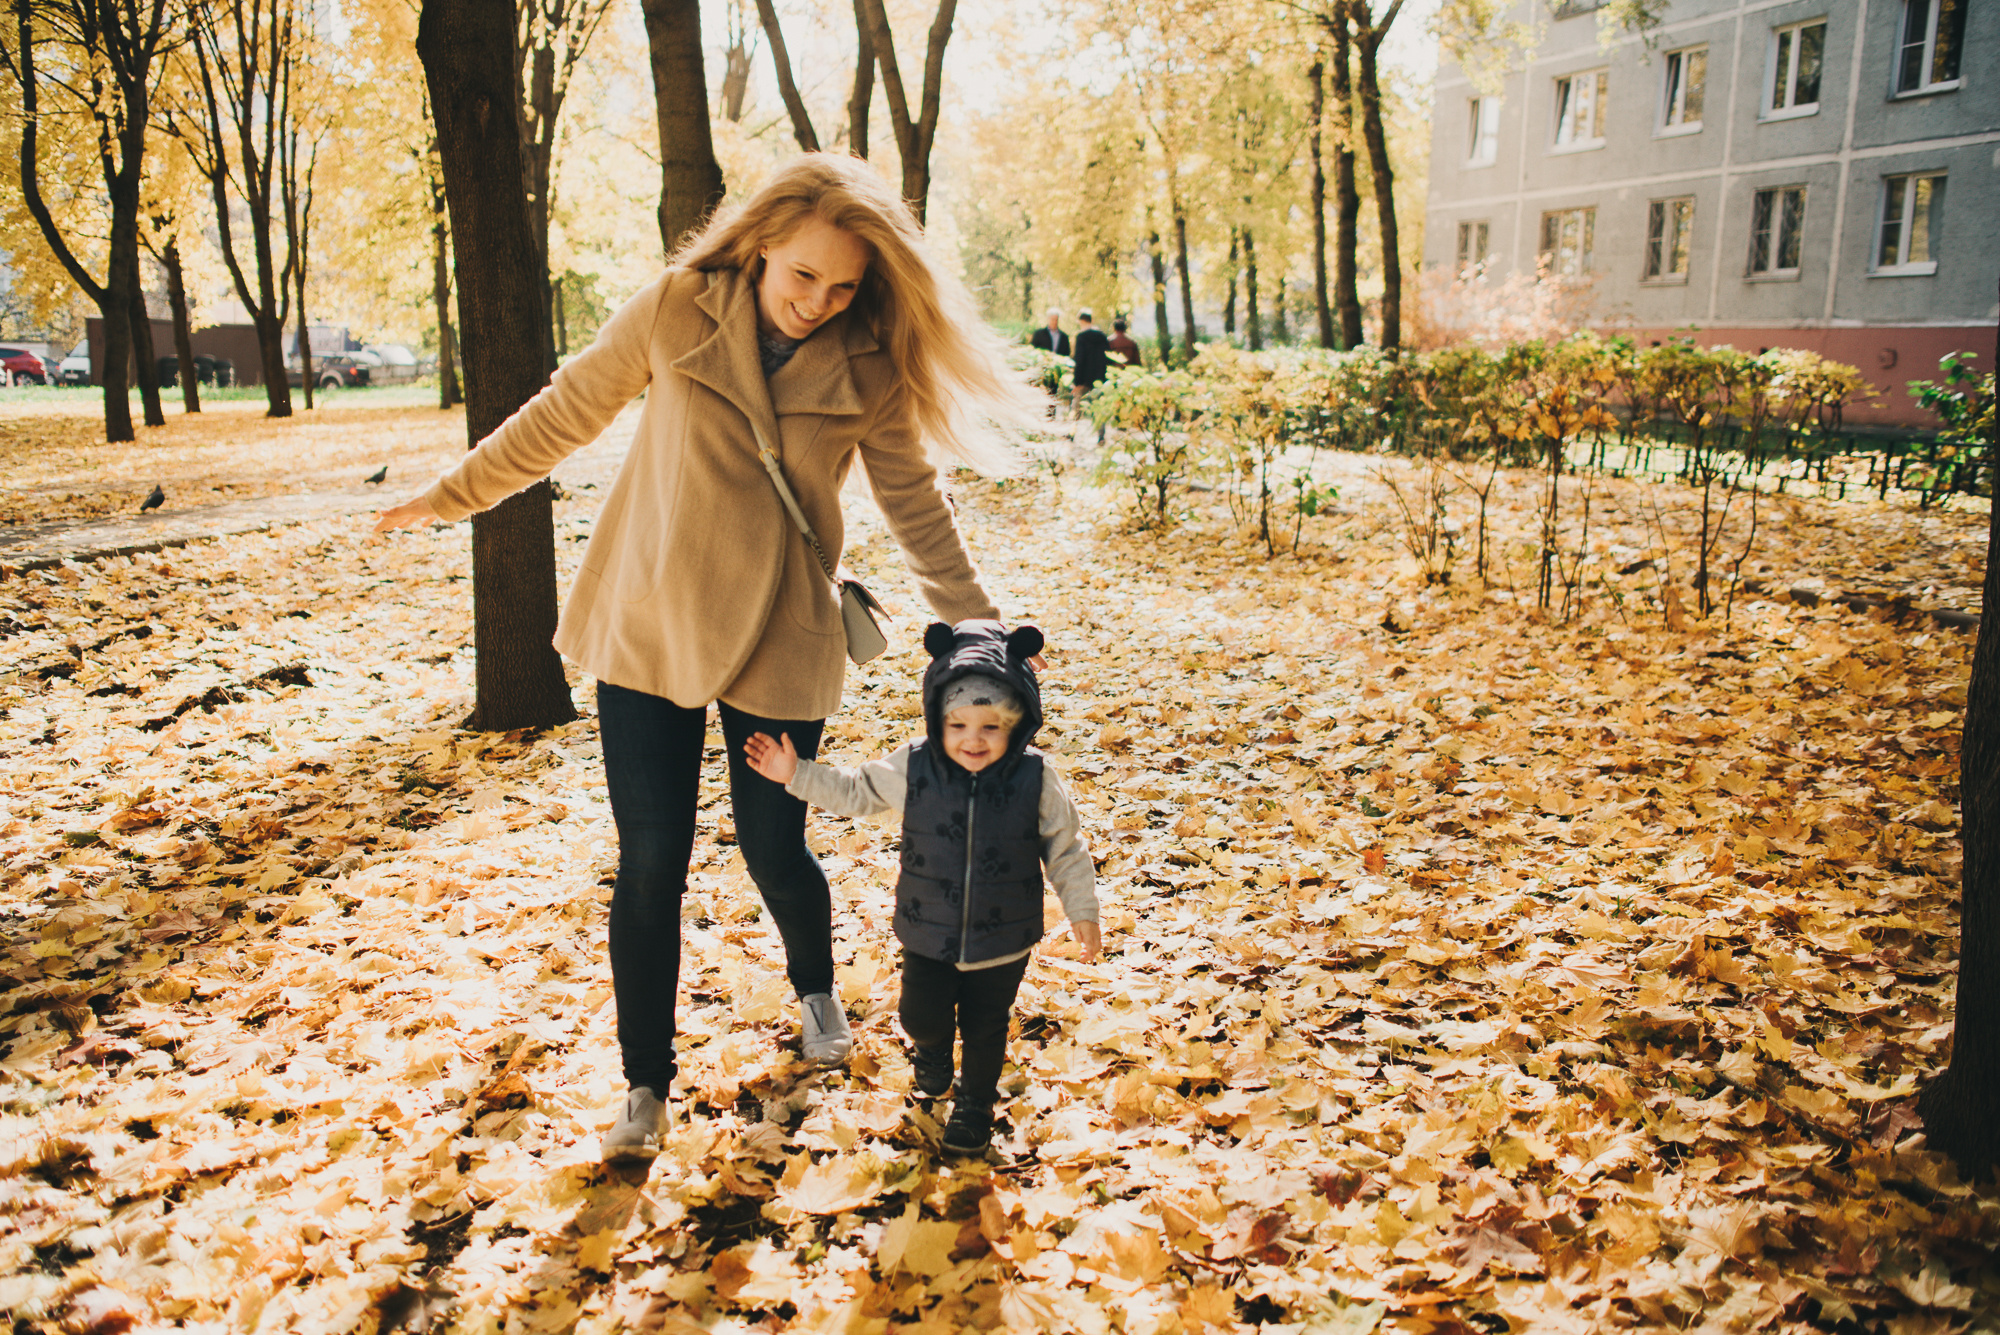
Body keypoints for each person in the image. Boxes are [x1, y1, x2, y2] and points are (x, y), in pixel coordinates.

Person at [372, 154, 1041, 1166]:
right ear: (761, 244)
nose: (818, 301)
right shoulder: (676, 308)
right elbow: (566, 411)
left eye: (844, 285)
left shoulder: (867, 367)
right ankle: (644, 1082)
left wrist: (984, 635)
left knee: (775, 850)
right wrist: (452, 491)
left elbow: (916, 512)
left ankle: (814, 992)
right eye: (802, 276)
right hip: (649, 628)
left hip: (780, 634)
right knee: (651, 862)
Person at [744, 619, 1099, 1155]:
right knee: (920, 1016)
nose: (972, 740)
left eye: (990, 728)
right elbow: (857, 791)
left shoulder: (1036, 779)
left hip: (1005, 936)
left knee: (986, 1026)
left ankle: (975, 1106)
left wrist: (1082, 909)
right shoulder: (915, 765)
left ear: (1018, 723)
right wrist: (797, 774)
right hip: (927, 926)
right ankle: (932, 1052)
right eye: (957, 726)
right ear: (939, 720)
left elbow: (1065, 847)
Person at [1069, 310, 1110, 432]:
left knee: (1076, 407)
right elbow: (1107, 357)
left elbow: (1080, 359)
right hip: (1099, 378)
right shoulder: (1102, 337)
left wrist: (1077, 381)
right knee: (1099, 408)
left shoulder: (1081, 337)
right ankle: (1101, 435)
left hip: (1083, 379)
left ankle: (1071, 433)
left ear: (1081, 321)